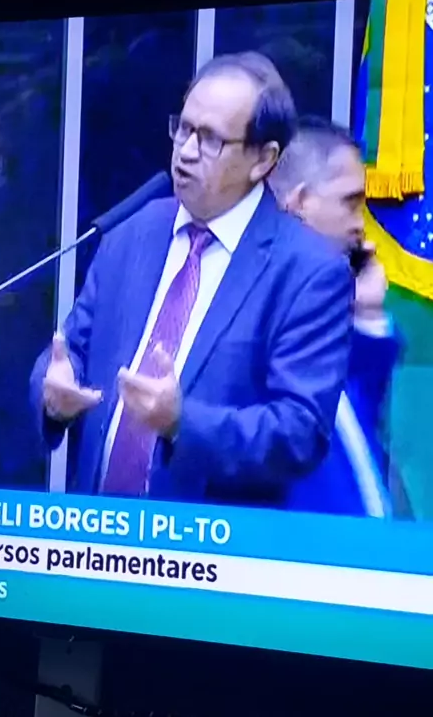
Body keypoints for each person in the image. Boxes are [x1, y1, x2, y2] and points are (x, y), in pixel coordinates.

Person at [30, 53, 354, 506]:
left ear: (263, 159)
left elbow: (300, 432)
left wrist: (183, 422)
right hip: (99, 534)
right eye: (183, 129)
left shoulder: (308, 273)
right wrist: (53, 392)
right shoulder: (131, 234)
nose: (185, 152)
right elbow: (72, 353)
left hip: (213, 541)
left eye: (211, 140)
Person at [269, 116, 405, 516]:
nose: (361, 225)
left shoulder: (321, 312)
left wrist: (365, 314)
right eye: (351, 203)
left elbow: (357, 428)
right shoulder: (254, 316)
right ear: (297, 203)